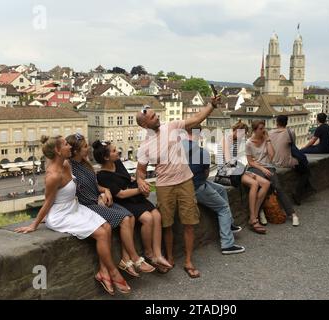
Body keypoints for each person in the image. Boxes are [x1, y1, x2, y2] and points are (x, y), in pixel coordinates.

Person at [15, 135, 130, 295]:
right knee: (102, 234)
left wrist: (102, 192)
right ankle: (113, 272)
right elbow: (48, 202)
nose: (70, 146)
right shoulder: (53, 176)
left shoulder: (67, 164)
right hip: (62, 215)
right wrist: (34, 224)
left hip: (75, 208)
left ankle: (103, 272)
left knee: (107, 225)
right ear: (57, 150)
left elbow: (86, 180)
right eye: (65, 144)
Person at [135, 95, 220, 279]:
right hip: (164, 186)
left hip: (185, 182)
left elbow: (196, 119)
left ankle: (189, 261)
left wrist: (211, 105)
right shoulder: (144, 147)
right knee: (167, 225)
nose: (157, 117)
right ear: (144, 125)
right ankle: (171, 258)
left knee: (189, 223)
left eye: (156, 114)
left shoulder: (171, 127)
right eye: (152, 117)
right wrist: (140, 180)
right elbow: (140, 171)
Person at [66, 133, 155, 277]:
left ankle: (126, 260)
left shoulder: (85, 163)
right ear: (75, 151)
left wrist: (105, 190)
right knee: (125, 219)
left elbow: (94, 185)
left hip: (98, 200)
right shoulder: (70, 168)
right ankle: (134, 258)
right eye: (84, 147)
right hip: (88, 205)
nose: (87, 148)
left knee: (130, 216)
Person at [93, 140, 173, 273]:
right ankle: (149, 254)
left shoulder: (117, 163)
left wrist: (141, 185)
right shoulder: (103, 175)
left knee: (157, 215)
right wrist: (140, 190)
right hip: (126, 201)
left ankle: (158, 254)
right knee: (148, 218)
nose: (117, 151)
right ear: (106, 157)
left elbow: (128, 178)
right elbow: (121, 194)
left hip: (135, 196)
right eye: (113, 151)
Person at [182, 125, 245, 255]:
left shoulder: (176, 147)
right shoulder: (201, 152)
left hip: (183, 186)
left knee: (221, 190)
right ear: (198, 134)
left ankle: (229, 224)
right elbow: (205, 175)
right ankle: (227, 244)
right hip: (196, 187)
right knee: (223, 208)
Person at [218, 120, 270, 234]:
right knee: (254, 184)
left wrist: (244, 170)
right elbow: (228, 162)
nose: (243, 137)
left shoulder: (235, 141)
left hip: (235, 170)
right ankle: (253, 219)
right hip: (226, 171)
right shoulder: (226, 139)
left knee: (266, 183)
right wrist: (243, 172)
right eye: (242, 133)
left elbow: (235, 161)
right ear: (236, 130)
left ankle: (254, 215)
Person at [246, 120, 300, 226]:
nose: (263, 130)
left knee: (278, 187)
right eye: (261, 129)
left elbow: (271, 156)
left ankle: (293, 214)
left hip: (269, 167)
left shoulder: (266, 140)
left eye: (264, 128)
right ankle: (260, 213)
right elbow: (250, 162)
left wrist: (268, 140)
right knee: (264, 185)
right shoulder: (248, 143)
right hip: (255, 168)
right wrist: (262, 169)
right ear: (255, 130)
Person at [269, 115, 314, 205]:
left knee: (303, 168)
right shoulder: (290, 132)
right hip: (285, 161)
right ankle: (298, 193)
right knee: (306, 171)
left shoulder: (269, 132)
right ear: (286, 123)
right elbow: (293, 146)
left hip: (273, 161)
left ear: (276, 122)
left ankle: (309, 188)